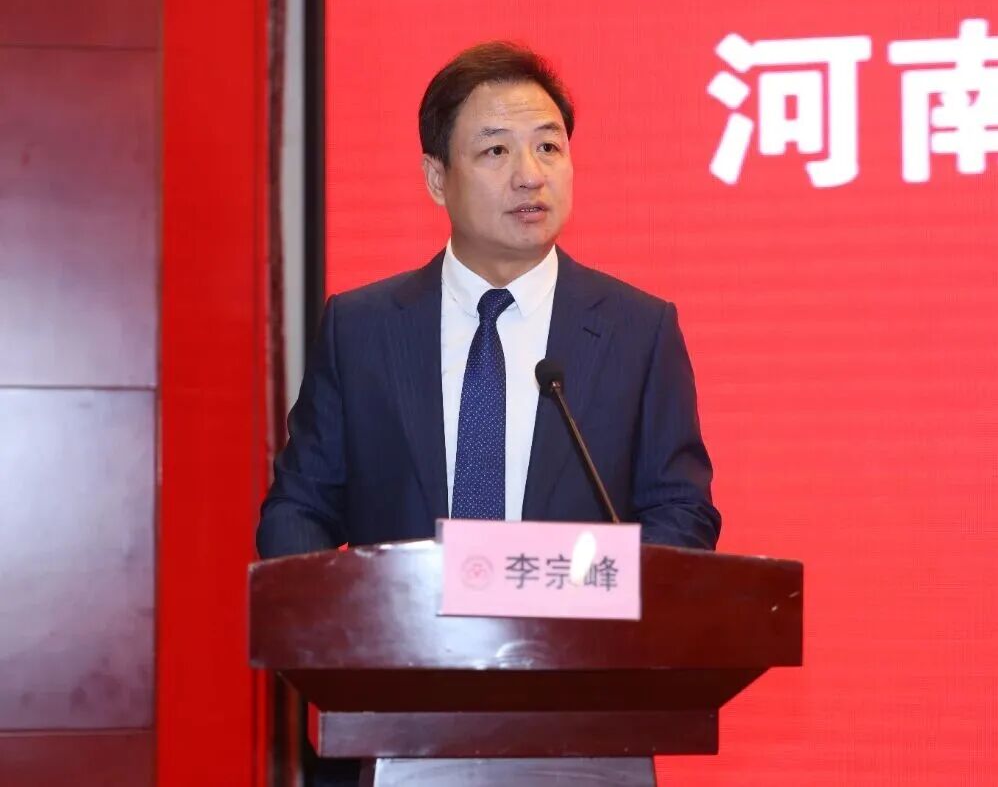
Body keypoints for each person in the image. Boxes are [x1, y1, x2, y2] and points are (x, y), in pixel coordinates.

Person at [257, 41, 721, 784]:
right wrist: (336, 639)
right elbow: (300, 507)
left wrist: (606, 618)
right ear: (436, 177)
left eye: (548, 146)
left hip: (587, 722)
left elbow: (681, 514)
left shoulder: (638, 330)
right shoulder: (363, 328)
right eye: (496, 150)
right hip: (398, 720)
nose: (529, 174)